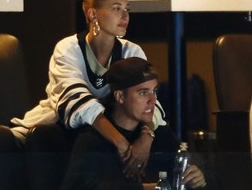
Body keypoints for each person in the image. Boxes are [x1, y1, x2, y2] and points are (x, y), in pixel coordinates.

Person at [10, 0, 166, 176]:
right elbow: (76, 99)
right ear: (93, 14)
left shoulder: (131, 51)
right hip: (58, 128)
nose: (125, 15)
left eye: (127, 9)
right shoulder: (68, 48)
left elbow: (150, 102)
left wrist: (146, 138)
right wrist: (118, 141)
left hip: (107, 135)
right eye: (116, 8)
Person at [60, 57, 207, 190]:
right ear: (119, 96)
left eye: (154, 91)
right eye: (143, 93)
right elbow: (78, 186)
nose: (153, 100)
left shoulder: (162, 134)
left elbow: (207, 172)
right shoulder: (92, 139)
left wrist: (201, 178)